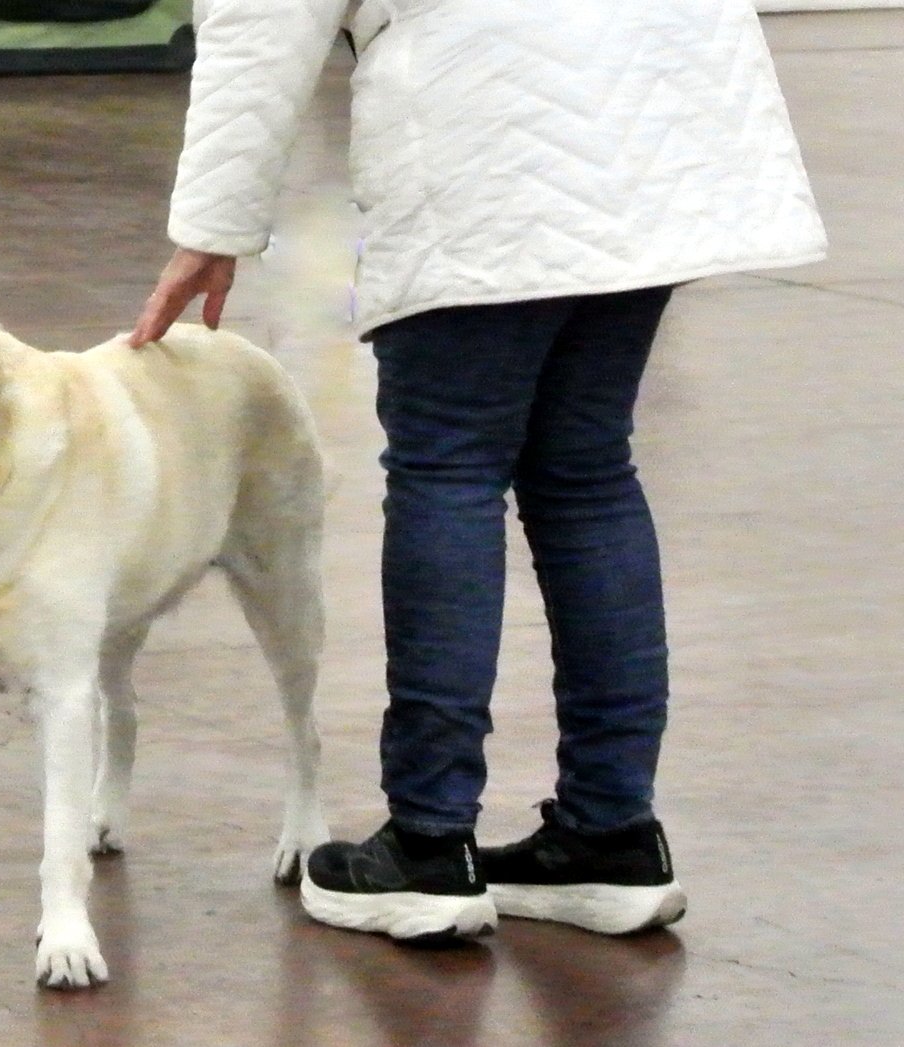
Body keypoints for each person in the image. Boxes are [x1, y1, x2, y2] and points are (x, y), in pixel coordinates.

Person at [131, 0, 825, 942]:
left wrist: (211, 226)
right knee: (585, 472)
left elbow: (264, 17)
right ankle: (610, 832)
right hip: (652, 122)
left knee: (447, 472)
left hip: (487, 136)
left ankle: (426, 841)